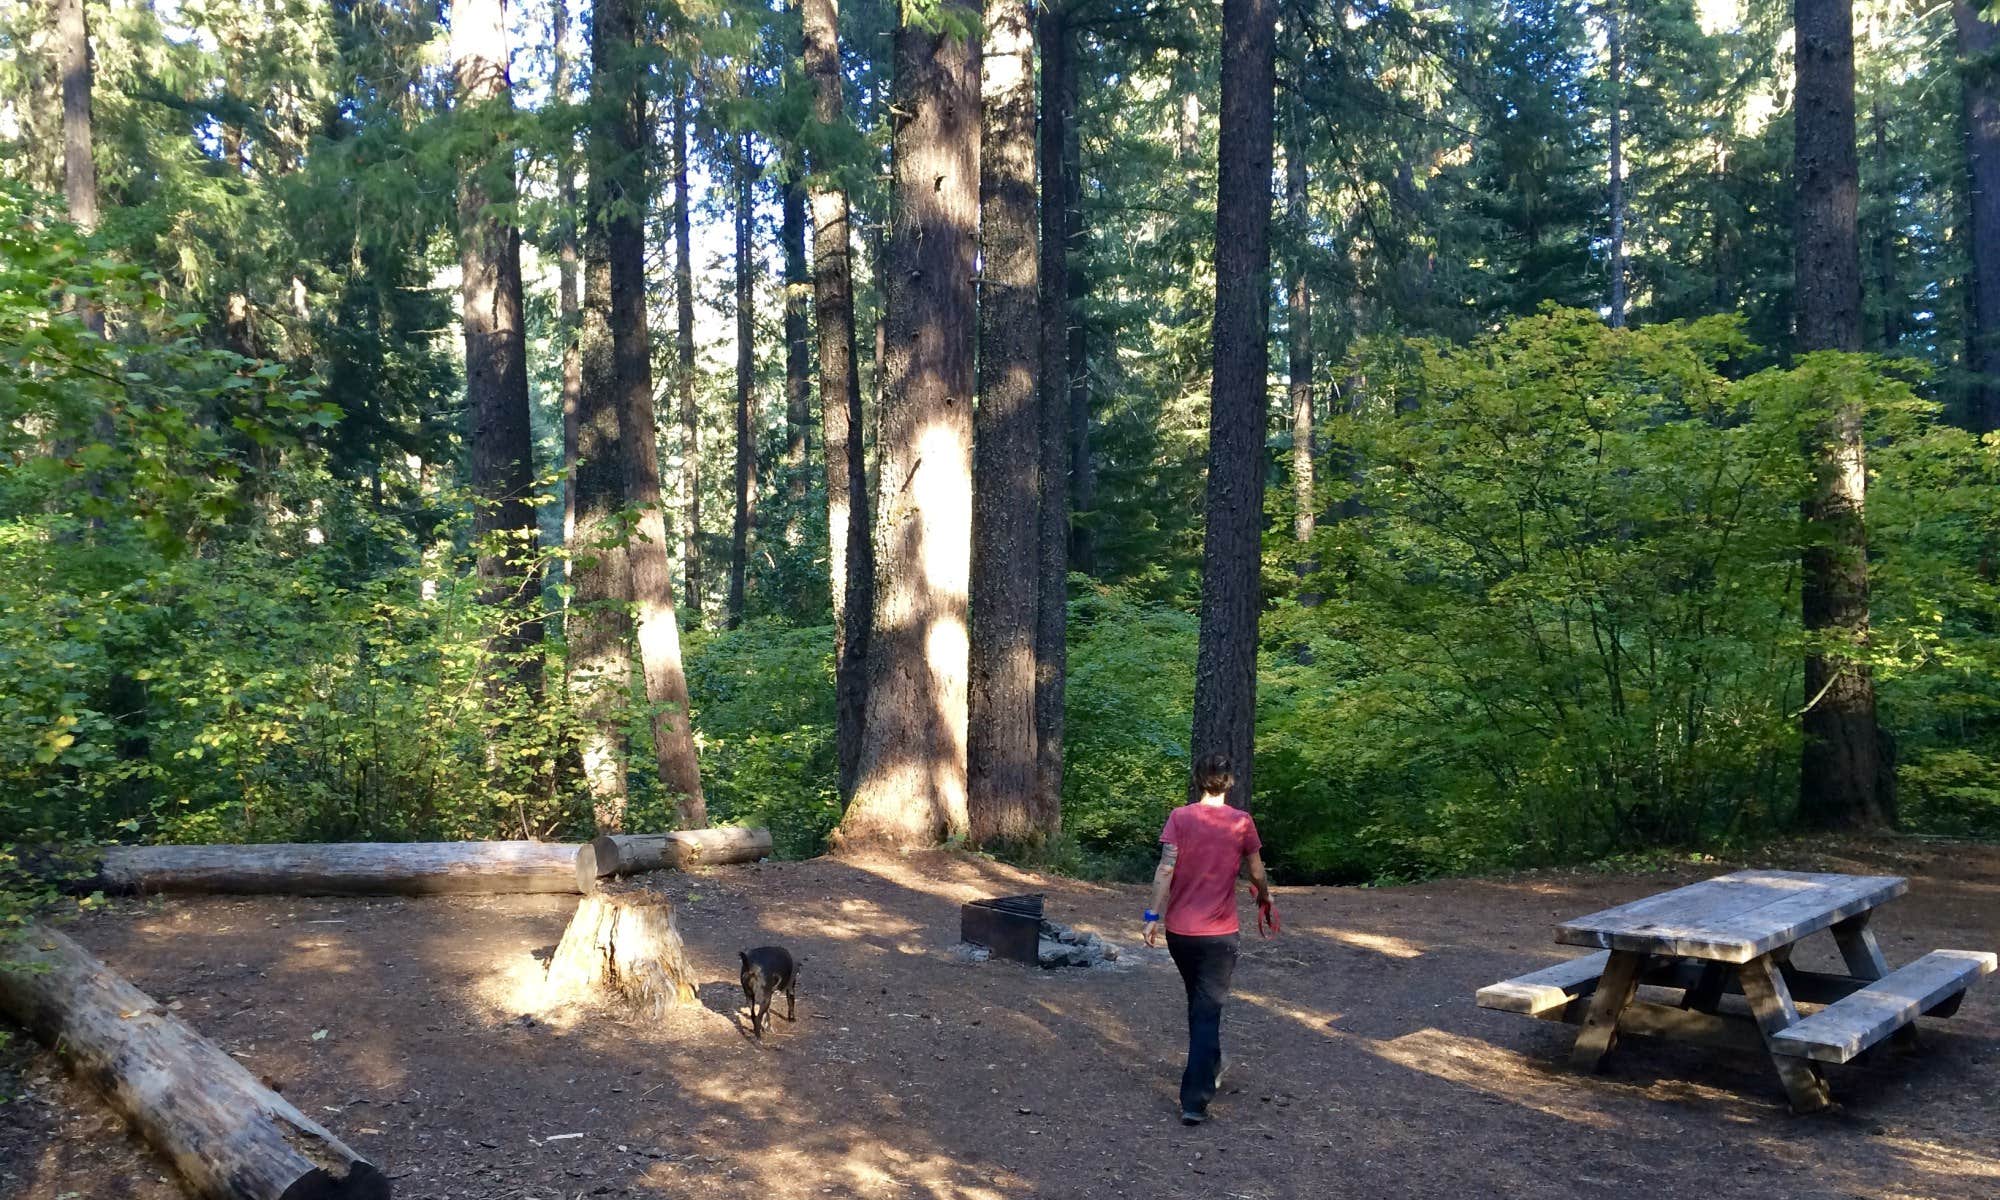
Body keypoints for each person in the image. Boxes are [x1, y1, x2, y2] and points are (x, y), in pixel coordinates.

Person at [1142, 752, 1278, 1125]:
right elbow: (1255, 871)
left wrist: (1152, 915)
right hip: (1219, 935)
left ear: (1198, 779)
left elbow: (1165, 868)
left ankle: (1212, 1063)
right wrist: (1265, 895)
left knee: (1200, 1003)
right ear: (1229, 781)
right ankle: (1194, 1099)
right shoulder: (1241, 823)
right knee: (1206, 1009)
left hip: (1181, 933)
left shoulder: (1180, 818)